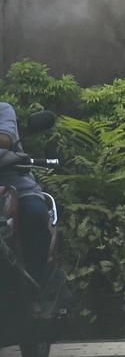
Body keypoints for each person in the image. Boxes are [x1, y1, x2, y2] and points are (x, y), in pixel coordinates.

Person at [0, 102, 52, 295]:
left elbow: (4, 139)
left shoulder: (3, 109)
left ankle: (36, 290)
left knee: (35, 214)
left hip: (15, 185)